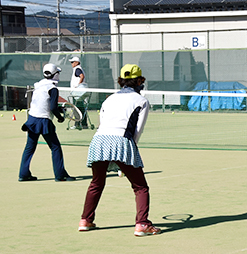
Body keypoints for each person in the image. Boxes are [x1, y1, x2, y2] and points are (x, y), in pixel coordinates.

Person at [79, 64, 161, 236]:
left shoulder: (109, 99)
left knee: (96, 183)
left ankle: (85, 220)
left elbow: (102, 123)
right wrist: (128, 155)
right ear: (139, 81)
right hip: (122, 141)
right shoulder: (141, 101)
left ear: (121, 81)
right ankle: (142, 224)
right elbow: (137, 131)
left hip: (99, 141)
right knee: (140, 187)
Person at [19, 63, 75, 182]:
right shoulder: (53, 88)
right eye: (58, 73)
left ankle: (23, 174)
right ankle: (60, 175)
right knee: (55, 147)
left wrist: (57, 110)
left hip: (32, 118)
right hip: (43, 120)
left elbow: (45, 104)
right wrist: (60, 117)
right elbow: (53, 108)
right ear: (55, 75)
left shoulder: (38, 85)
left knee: (29, 147)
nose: (59, 75)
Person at [69, 56, 88, 129]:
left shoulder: (77, 69)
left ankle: (79, 124)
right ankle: (82, 124)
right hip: (78, 93)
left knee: (77, 108)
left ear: (77, 62)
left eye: (72, 62)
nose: (71, 64)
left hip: (77, 93)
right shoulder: (78, 69)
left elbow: (81, 76)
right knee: (80, 108)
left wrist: (78, 85)